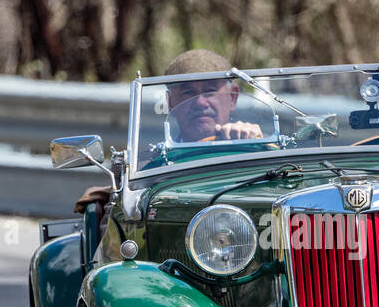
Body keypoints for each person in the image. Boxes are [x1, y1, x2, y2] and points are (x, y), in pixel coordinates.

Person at [73, 48, 260, 215]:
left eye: (210, 91)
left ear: (233, 97)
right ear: (170, 102)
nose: (201, 103)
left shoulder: (257, 149)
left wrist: (255, 144)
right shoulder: (148, 166)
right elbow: (116, 234)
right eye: (188, 93)